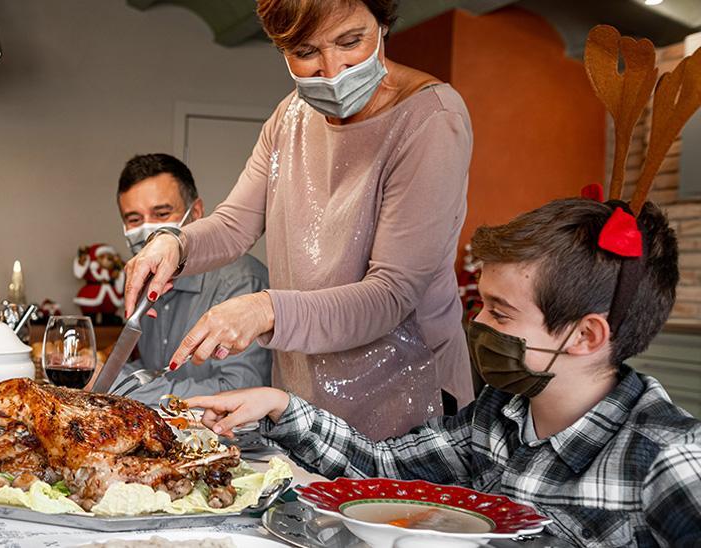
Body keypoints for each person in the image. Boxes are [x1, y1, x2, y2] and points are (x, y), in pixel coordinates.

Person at [187, 199, 701, 546]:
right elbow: (385, 469)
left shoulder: (670, 461)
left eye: (500, 313)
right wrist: (279, 405)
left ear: (586, 337)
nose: (476, 323)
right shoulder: (498, 416)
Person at [121, 0, 473, 438]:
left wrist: (266, 308)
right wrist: (175, 243)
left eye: (351, 41)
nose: (332, 69)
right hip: (304, 399)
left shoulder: (432, 120)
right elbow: (233, 225)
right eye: (306, 53)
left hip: (405, 401)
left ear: (382, 24)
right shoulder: (289, 117)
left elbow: (390, 296)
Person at [106, 154, 270, 403]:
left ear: (196, 213)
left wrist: (120, 387)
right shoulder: (143, 279)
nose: (149, 230)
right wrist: (108, 372)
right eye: (134, 219)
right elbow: (156, 369)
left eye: (162, 213)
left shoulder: (242, 282)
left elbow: (240, 390)